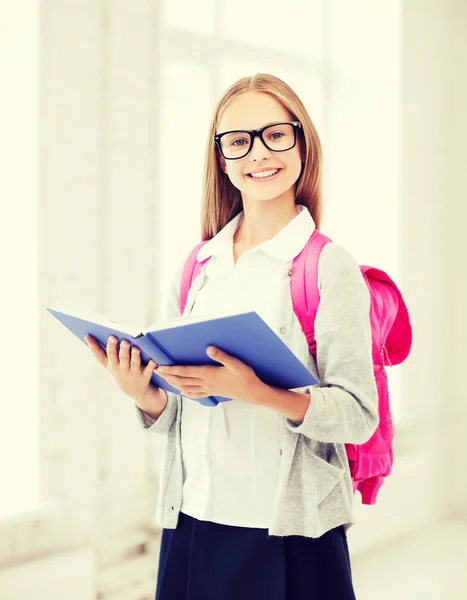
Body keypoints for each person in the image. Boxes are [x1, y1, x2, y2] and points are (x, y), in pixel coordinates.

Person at [85, 73, 379, 599]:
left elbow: (358, 417)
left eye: (275, 134)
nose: (259, 153)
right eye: (238, 141)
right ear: (221, 159)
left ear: (302, 141)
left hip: (288, 534)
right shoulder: (198, 267)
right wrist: (144, 395)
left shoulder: (328, 267)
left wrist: (258, 393)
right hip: (193, 522)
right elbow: (179, 408)